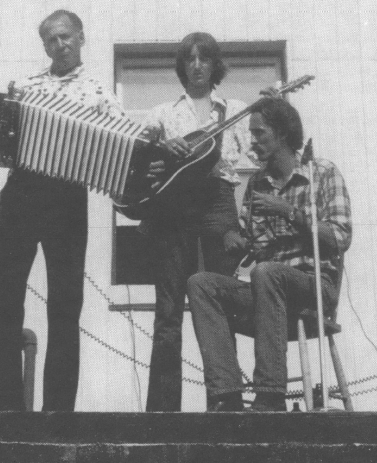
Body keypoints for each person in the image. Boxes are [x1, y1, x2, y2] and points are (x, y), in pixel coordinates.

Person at [0, 10, 125, 411]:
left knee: (65, 305)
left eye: (66, 37)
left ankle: (58, 409)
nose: (60, 46)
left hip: (67, 199)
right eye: (51, 40)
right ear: (44, 45)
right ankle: (6, 405)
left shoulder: (100, 93)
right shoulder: (22, 87)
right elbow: (0, 143)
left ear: (81, 37)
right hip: (20, 194)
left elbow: (124, 148)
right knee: (5, 303)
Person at [186, 97, 352, 411]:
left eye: (260, 133)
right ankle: (227, 396)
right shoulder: (258, 183)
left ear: (283, 134)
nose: (254, 141)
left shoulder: (323, 173)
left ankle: (270, 395)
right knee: (200, 284)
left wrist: (290, 213)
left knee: (267, 272)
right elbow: (250, 240)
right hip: (268, 295)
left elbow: (340, 237)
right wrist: (234, 237)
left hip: (314, 289)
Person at [140, 32, 252, 412]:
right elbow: (137, 155)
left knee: (219, 304)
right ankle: (162, 410)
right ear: (182, 65)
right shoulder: (163, 113)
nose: (198, 65)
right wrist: (159, 149)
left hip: (219, 205)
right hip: (174, 208)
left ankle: (225, 402)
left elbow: (254, 154)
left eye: (205, 58)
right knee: (169, 308)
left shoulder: (234, 109)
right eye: (190, 58)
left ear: (214, 64)